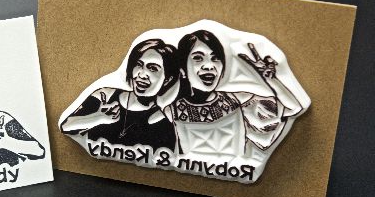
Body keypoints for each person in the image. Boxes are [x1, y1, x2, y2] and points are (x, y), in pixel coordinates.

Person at [164, 30, 304, 156]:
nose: (209, 66)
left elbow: (293, 109)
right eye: (198, 58)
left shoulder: (238, 101)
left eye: (215, 58)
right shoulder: (171, 112)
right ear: (182, 69)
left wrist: (271, 80)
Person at [60, 39, 178, 151]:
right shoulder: (105, 96)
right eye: (139, 64)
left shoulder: (160, 120)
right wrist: (98, 117)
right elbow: (66, 127)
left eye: (153, 68)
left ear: (167, 79)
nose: (142, 75)